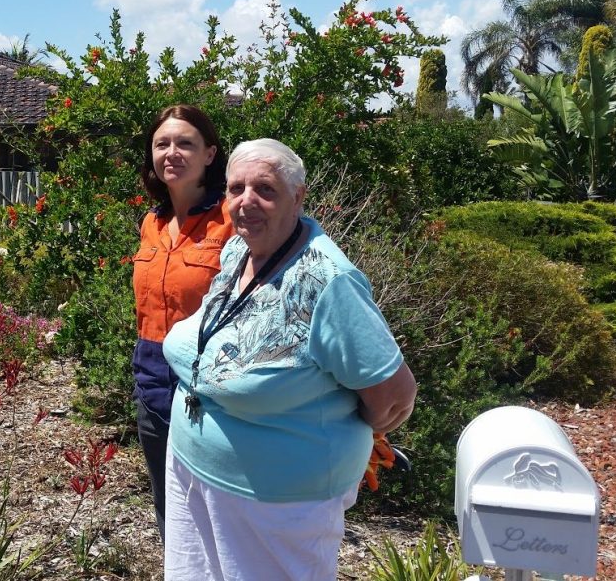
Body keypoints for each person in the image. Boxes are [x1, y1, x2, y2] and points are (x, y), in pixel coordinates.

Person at [162, 139, 417, 581]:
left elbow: (394, 398)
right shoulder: (238, 252)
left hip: (278, 503)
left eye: (265, 189)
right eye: (235, 188)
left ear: (297, 197)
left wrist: (329, 433)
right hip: (193, 470)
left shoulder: (327, 281)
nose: (246, 202)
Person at [132, 105, 234, 541]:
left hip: (211, 383)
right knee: (169, 508)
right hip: (152, 378)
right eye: (162, 144)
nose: (172, 152)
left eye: (185, 143)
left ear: (210, 154)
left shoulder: (233, 218)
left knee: (218, 510)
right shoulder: (152, 223)